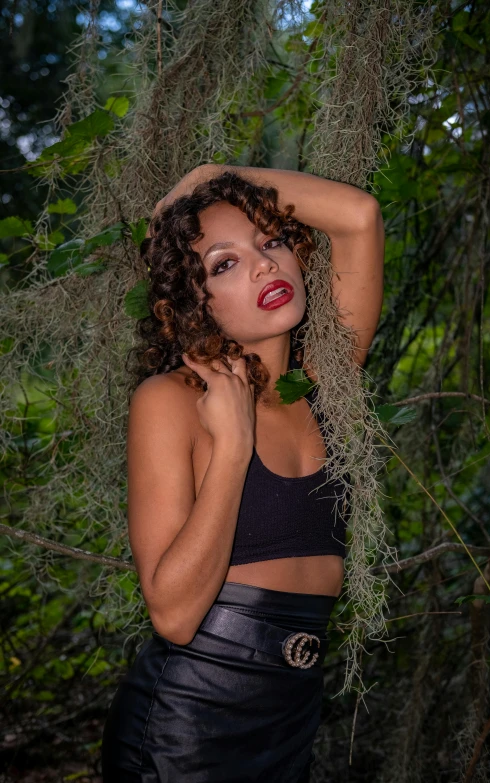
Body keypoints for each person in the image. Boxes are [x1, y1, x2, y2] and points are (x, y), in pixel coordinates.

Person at [101, 164, 384, 782]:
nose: (263, 265)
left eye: (271, 241)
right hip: (188, 726)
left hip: (294, 714)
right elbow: (173, 615)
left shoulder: (323, 382)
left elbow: (358, 216)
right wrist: (232, 449)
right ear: (188, 304)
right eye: (224, 264)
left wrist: (216, 176)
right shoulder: (171, 401)